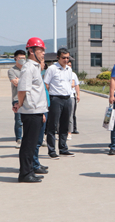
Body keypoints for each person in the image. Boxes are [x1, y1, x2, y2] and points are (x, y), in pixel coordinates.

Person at [13, 38, 49, 183]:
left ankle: (29, 171)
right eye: (41, 50)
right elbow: (22, 90)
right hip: (31, 112)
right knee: (28, 144)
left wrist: (42, 112)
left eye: (43, 50)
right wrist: (20, 105)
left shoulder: (35, 67)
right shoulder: (28, 67)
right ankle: (25, 174)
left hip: (36, 111)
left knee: (32, 144)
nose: (43, 53)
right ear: (31, 51)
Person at [44, 48, 75, 159]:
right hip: (56, 99)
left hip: (67, 98)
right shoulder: (52, 69)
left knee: (65, 125)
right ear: (58, 57)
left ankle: (63, 148)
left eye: (67, 58)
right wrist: (48, 99)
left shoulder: (69, 69)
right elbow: (46, 84)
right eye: (63, 58)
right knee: (53, 125)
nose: (66, 60)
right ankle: (52, 150)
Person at [8, 49, 26, 149]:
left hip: (28, 98)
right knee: (19, 120)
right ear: (15, 58)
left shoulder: (27, 69)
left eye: (24, 58)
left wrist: (20, 80)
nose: (22, 60)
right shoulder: (12, 70)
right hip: (17, 98)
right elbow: (15, 82)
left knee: (29, 120)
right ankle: (19, 139)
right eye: (20, 58)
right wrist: (24, 81)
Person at [67, 60, 80, 140]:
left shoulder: (73, 74)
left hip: (71, 96)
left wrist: (78, 95)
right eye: (68, 65)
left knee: (71, 115)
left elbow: (76, 85)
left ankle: (70, 131)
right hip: (62, 96)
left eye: (70, 65)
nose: (69, 66)